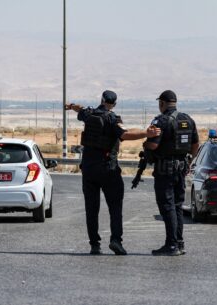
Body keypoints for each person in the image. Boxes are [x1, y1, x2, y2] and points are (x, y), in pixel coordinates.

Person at [66, 90, 160, 256]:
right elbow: (125, 134)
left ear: (101, 100)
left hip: (88, 168)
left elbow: (80, 109)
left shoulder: (89, 114)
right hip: (107, 168)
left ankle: (94, 244)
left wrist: (71, 106)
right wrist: (147, 133)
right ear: (114, 104)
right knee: (115, 207)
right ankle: (116, 240)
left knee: (91, 208)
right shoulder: (112, 118)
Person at [144, 90, 199, 256]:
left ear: (162, 103)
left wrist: (145, 143)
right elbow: (195, 144)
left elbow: (153, 145)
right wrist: (188, 161)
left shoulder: (161, 120)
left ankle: (172, 244)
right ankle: (179, 243)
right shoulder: (187, 119)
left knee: (167, 206)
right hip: (181, 168)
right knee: (177, 206)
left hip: (165, 169)